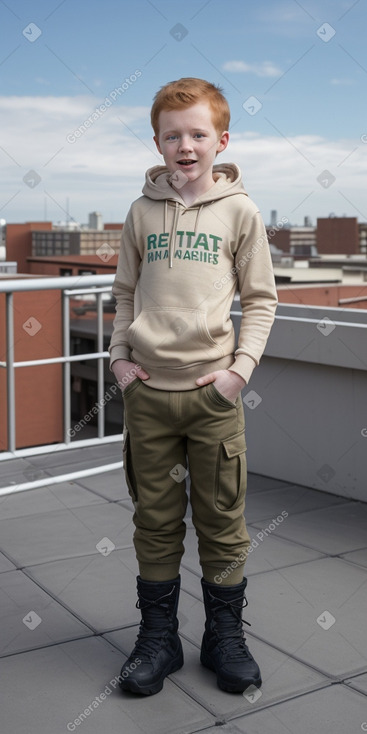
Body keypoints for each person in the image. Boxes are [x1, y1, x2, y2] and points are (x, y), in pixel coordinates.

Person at [109, 77, 278, 696]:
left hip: (213, 397)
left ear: (220, 140)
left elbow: (261, 300)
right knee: (154, 521)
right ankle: (158, 641)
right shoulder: (139, 211)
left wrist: (238, 373)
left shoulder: (242, 211)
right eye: (172, 134)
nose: (185, 145)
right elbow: (125, 293)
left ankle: (222, 638)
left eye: (198, 134)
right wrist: (119, 359)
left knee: (222, 522)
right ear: (157, 141)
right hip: (148, 394)